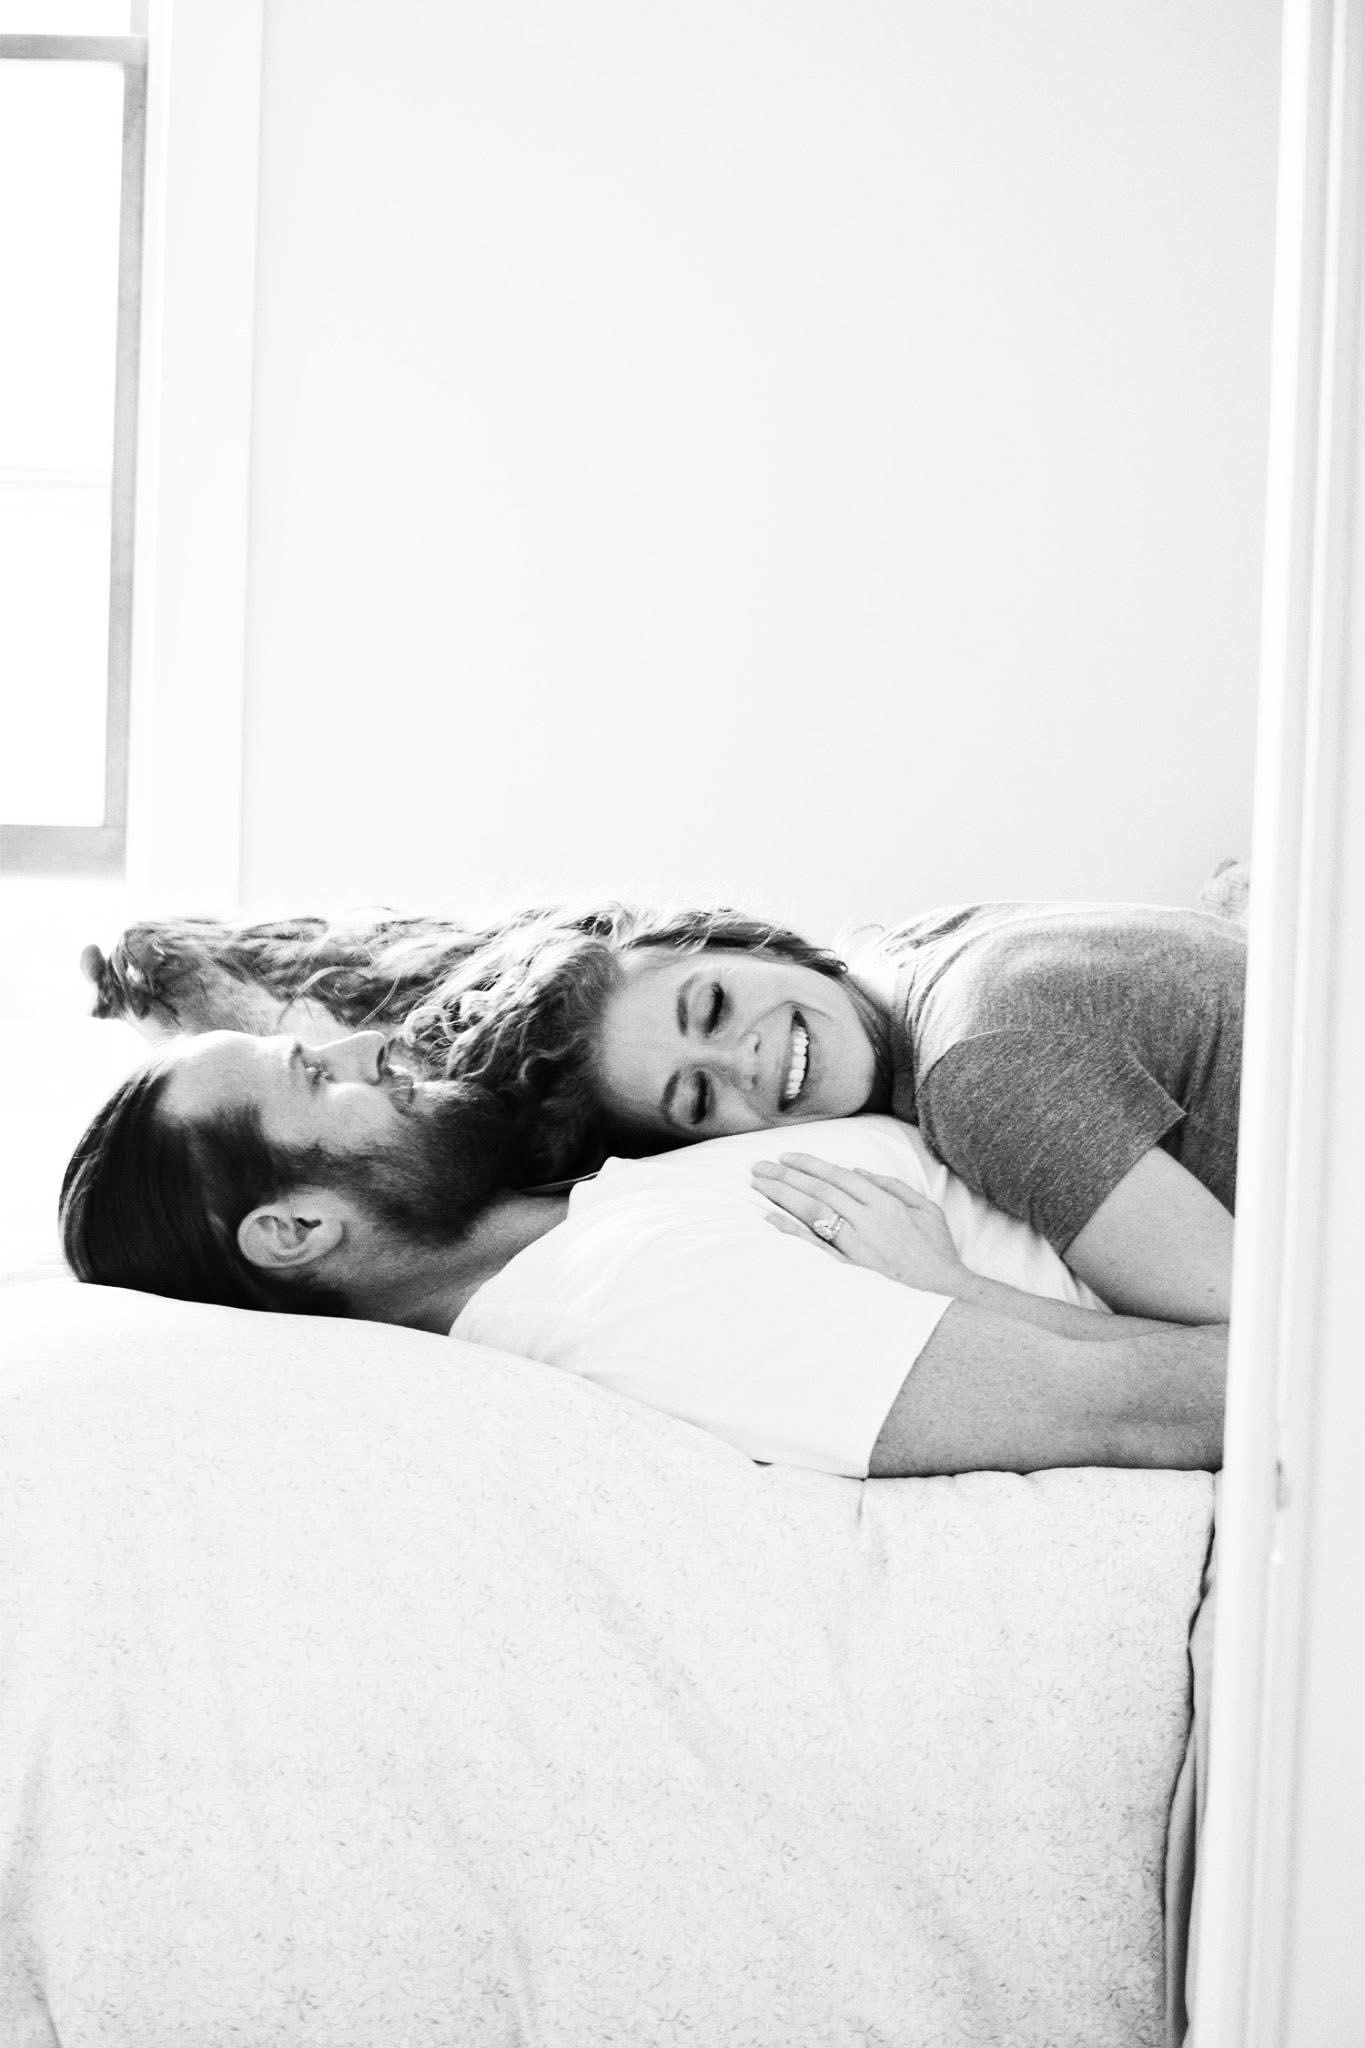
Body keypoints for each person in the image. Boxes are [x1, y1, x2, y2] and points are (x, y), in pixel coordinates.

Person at [60, 1026, 1227, 1480]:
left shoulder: (583, 1210)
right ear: (301, 1229)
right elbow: (1144, 1408)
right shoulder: (631, 1306)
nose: (369, 1043)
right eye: (319, 1077)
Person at [85, 894, 1246, 1324]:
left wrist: (955, 1294)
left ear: (727, 939)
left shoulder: (979, 1073)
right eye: (697, 1096)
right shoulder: (912, 955)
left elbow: (1276, 1344)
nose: (748, 1056)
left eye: (712, 999)